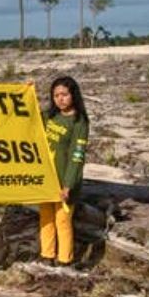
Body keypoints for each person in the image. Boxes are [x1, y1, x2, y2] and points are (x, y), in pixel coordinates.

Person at [40, 75, 89, 266]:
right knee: (46, 219)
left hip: (65, 183)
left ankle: (64, 261)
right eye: (56, 95)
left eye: (65, 95)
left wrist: (68, 185)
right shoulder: (50, 116)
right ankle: (47, 256)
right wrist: (28, 93)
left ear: (73, 95)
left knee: (62, 221)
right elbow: (30, 117)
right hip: (46, 180)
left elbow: (77, 158)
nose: (60, 99)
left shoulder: (79, 122)